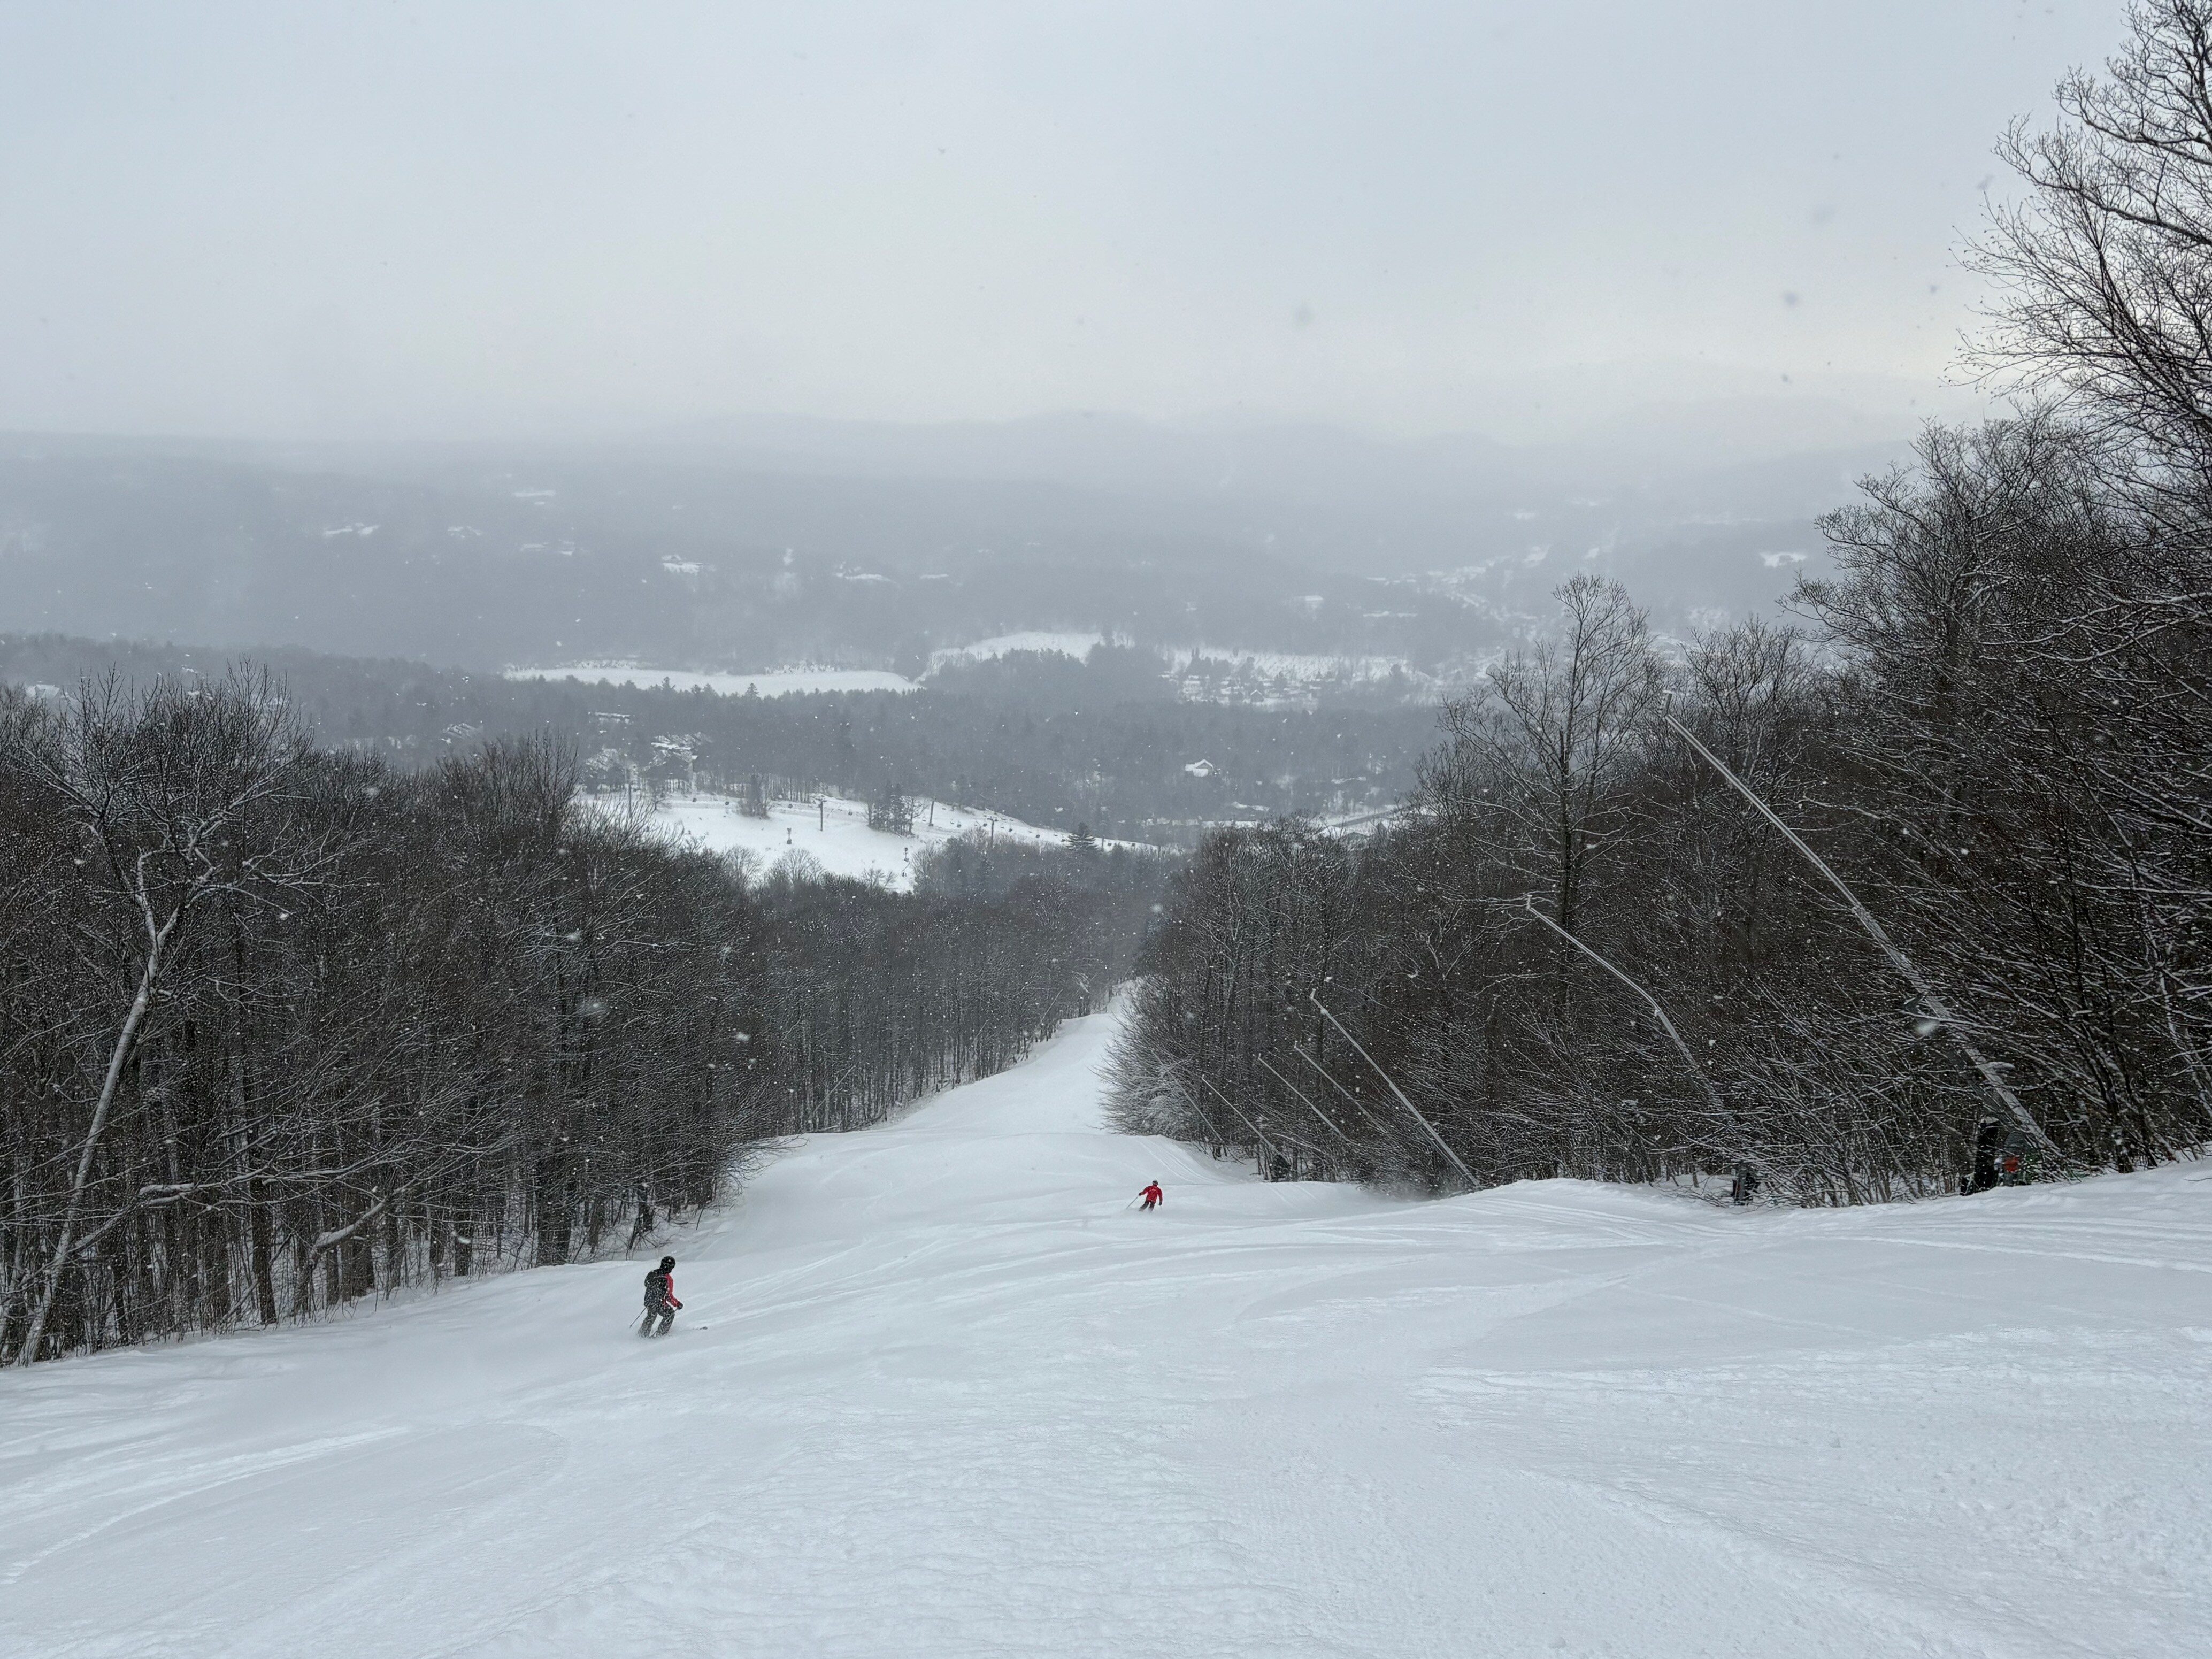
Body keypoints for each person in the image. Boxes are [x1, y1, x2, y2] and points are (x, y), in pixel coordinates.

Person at [641, 1255, 681, 1337]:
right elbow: (669, 1296)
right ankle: (661, 1334)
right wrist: (677, 1304)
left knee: (651, 1316)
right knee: (669, 1314)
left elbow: (647, 1284)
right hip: (659, 1302)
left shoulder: (653, 1273)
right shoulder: (668, 1279)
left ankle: (642, 1334)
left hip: (650, 1300)